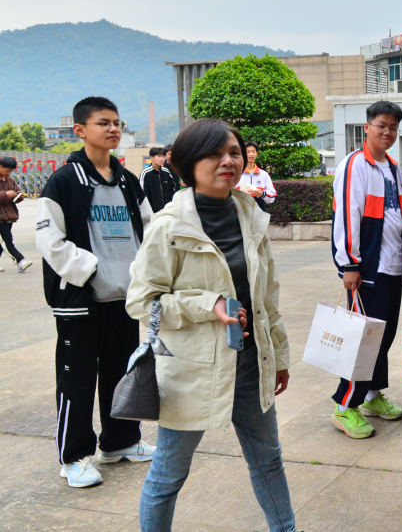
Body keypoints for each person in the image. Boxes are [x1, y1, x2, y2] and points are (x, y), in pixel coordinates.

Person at [127, 118, 296, 531]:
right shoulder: (170, 226)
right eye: (214, 153)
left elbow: (266, 297)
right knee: (168, 475)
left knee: (268, 460)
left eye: (234, 152)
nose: (228, 161)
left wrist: (279, 355)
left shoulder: (251, 216)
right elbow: (142, 302)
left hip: (250, 365)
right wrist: (208, 304)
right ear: (187, 163)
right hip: (192, 371)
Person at [35, 97, 156, 488]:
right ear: (80, 130)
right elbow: (49, 240)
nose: (114, 129)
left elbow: (150, 230)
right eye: (104, 123)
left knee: (122, 374)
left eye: (118, 123)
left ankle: (120, 442)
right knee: (78, 380)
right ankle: (73, 457)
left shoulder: (127, 180)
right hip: (81, 300)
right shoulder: (65, 179)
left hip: (123, 297)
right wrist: (91, 272)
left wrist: (142, 275)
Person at [328, 101, 402, 438]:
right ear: (367, 127)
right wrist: (349, 264)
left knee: (384, 335)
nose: (387, 132)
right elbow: (348, 214)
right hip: (367, 269)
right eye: (381, 125)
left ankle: (372, 395)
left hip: (392, 266)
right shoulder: (354, 165)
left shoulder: (392, 166)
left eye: (393, 127)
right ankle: (345, 405)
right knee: (363, 339)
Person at [0, 156, 31, 273]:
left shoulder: (10, 180)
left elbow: (17, 191)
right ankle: (20, 260)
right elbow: (5, 195)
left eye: (11, 171)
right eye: (7, 170)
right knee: (7, 241)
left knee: (1, 242)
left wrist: (19, 196)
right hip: (0, 218)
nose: (9, 173)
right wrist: (5, 195)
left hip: (9, 216)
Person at [237, 142, 276, 212]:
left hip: (259, 213)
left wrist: (262, 193)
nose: (251, 154)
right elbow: (228, 194)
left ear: (256, 153)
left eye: (253, 152)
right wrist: (242, 194)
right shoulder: (237, 173)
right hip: (241, 212)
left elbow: (272, 197)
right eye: (248, 152)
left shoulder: (263, 174)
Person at [141, 146, 179, 213]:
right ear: (152, 158)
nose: (161, 159)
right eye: (159, 156)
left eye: (163, 156)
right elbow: (142, 192)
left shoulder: (166, 172)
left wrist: (170, 204)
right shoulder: (146, 173)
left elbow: (172, 188)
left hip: (167, 211)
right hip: (152, 212)